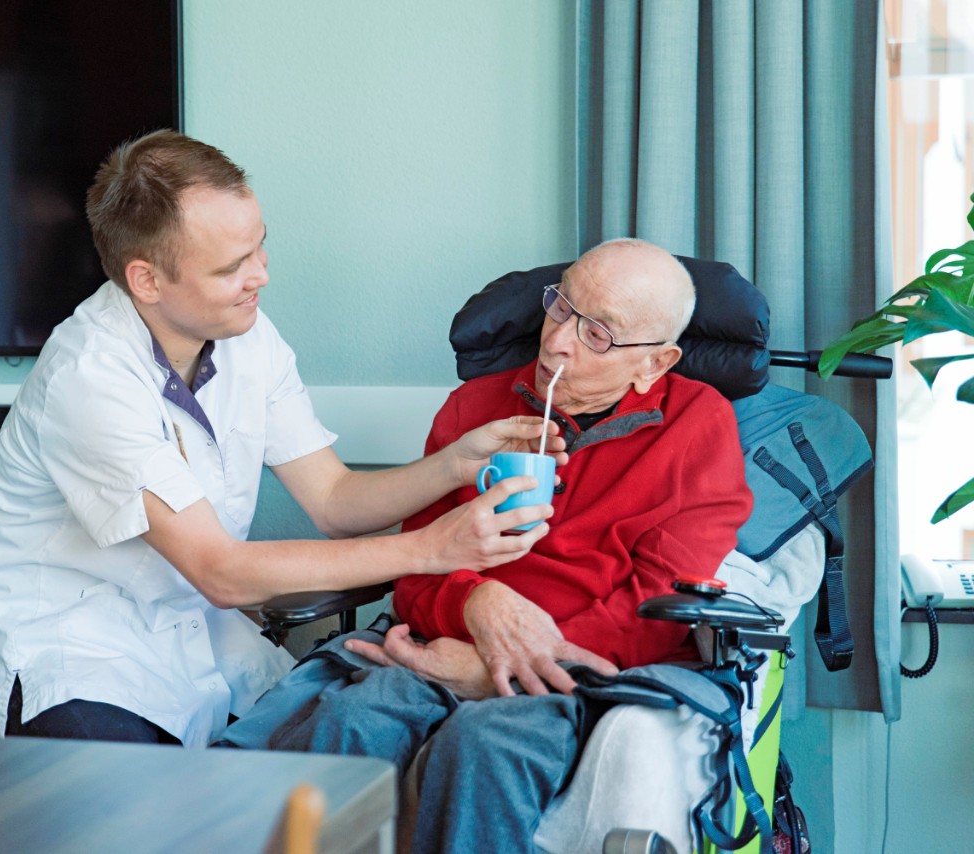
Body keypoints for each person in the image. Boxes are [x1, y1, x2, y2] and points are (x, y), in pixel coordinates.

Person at [0, 130, 568, 748]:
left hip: (201, 637)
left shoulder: (247, 333)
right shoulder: (89, 377)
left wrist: (452, 465)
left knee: (330, 763)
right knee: (148, 813)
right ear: (146, 280)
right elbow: (219, 572)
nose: (261, 276)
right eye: (231, 267)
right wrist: (433, 549)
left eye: (259, 248)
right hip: (78, 652)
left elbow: (333, 500)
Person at [225, 238, 754, 853]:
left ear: (655, 363)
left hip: (574, 669)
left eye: (599, 335)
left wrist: (512, 665)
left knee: (485, 747)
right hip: (443, 639)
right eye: (561, 308)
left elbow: (659, 604)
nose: (557, 341)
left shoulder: (698, 426)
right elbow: (418, 565)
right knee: (349, 719)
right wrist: (476, 607)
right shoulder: (474, 408)